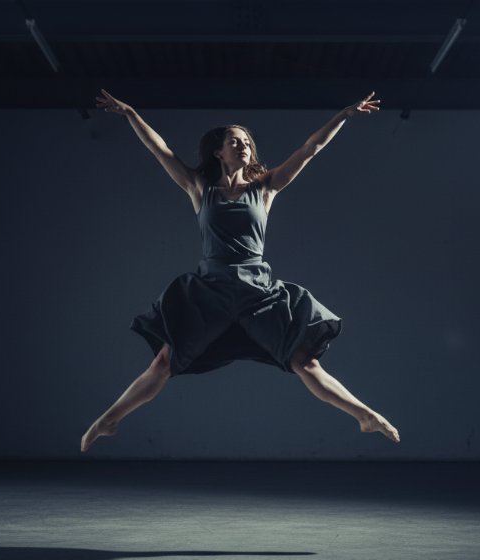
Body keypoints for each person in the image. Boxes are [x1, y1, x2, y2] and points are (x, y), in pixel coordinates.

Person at [81, 89, 400, 452]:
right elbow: (160, 150)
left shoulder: (265, 187)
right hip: (210, 290)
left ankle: (364, 415)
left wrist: (343, 115)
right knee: (164, 361)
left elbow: (310, 148)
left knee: (304, 362)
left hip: (256, 290)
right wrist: (130, 114)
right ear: (219, 151)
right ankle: (110, 419)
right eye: (235, 141)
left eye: (247, 142)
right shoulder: (199, 188)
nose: (243, 146)